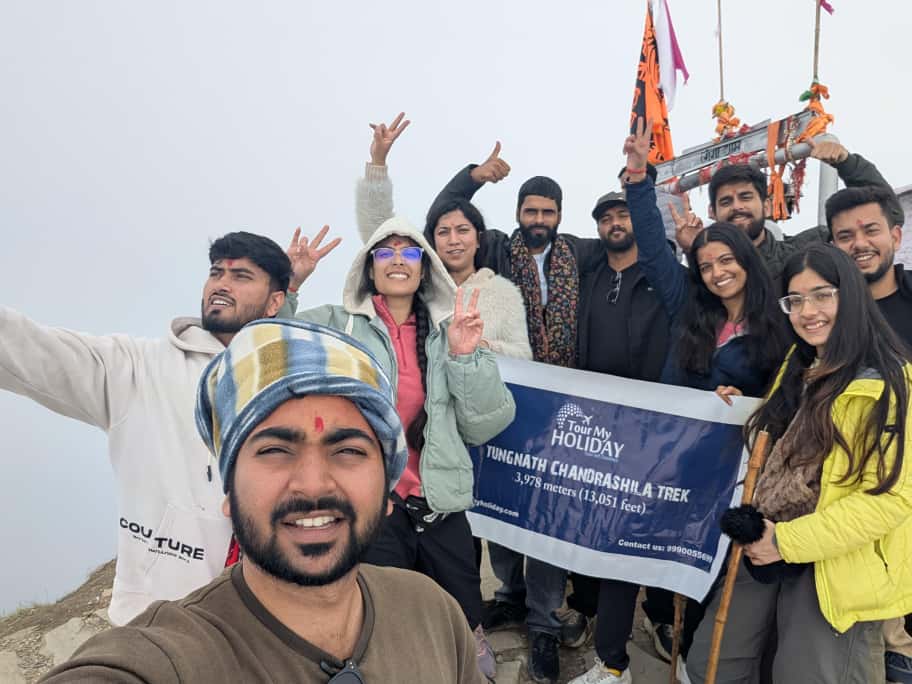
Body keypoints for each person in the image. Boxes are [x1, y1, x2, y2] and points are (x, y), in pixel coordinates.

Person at [41, 319, 486, 683]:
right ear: (228, 495)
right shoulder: (173, 658)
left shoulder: (434, 614)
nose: (313, 486)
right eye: (274, 450)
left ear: (387, 492)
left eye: (349, 451)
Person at [568, 120, 794, 684]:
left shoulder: (777, 330)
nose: (717, 274)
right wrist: (641, 182)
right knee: (624, 555)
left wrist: (745, 398)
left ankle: (690, 660)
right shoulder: (686, 308)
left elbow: (781, 401)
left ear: (746, 259)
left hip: (719, 473)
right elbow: (650, 243)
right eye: (707, 265)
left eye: (727, 263)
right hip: (656, 456)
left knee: (695, 568)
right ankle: (613, 664)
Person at [0, 231, 314, 625]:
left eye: (241, 276)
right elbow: (30, 349)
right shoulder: (138, 368)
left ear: (275, 301)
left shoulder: (291, 385)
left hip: (266, 621)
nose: (221, 284)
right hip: (159, 621)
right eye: (216, 272)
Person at [283, 217, 516, 681]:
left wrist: (467, 358)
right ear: (368, 269)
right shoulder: (338, 324)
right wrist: (291, 284)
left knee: (463, 611)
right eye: (384, 252)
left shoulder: (452, 330)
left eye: (409, 252)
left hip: (439, 502)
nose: (396, 260)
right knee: (383, 616)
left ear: (424, 268)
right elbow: (271, 343)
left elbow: (488, 421)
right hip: (373, 504)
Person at [686, 243, 912, 683]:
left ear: (850, 295)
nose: (808, 311)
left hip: (836, 563)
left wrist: (786, 543)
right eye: (795, 300)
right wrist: (735, 409)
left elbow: (888, 501)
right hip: (766, 538)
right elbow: (771, 444)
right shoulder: (800, 360)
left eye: (823, 294)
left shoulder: (888, 385)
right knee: (712, 665)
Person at [433, 140, 603, 683]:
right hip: (495, 398)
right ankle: (509, 593)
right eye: (529, 211)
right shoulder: (498, 253)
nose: (538, 220)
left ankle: (546, 620)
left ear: (559, 216)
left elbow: (638, 240)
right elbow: (443, 218)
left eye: (547, 212)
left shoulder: (579, 251)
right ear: (516, 216)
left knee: (543, 511)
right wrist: (475, 176)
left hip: (556, 399)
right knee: (499, 503)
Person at [355, 112, 531, 359]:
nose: (454, 240)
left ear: (479, 238)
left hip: (477, 393)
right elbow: (379, 229)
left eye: (463, 230)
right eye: (443, 232)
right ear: (432, 241)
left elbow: (523, 355)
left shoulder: (503, 292)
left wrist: (479, 346)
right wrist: (378, 161)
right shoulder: (419, 286)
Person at [826, 184, 912, 683]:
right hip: (846, 508)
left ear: (895, 235)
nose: (859, 242)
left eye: (871, 230)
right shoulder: (823, 318)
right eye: (844, 235)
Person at [673, 139, 894, 283]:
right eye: (726, 201)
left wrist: (848, 164)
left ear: (767, 206)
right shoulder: (710, 274)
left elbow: (889, 216)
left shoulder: (808, 249)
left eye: (746, 197)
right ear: (712, 212)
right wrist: (695, 250)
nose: (737, 206)